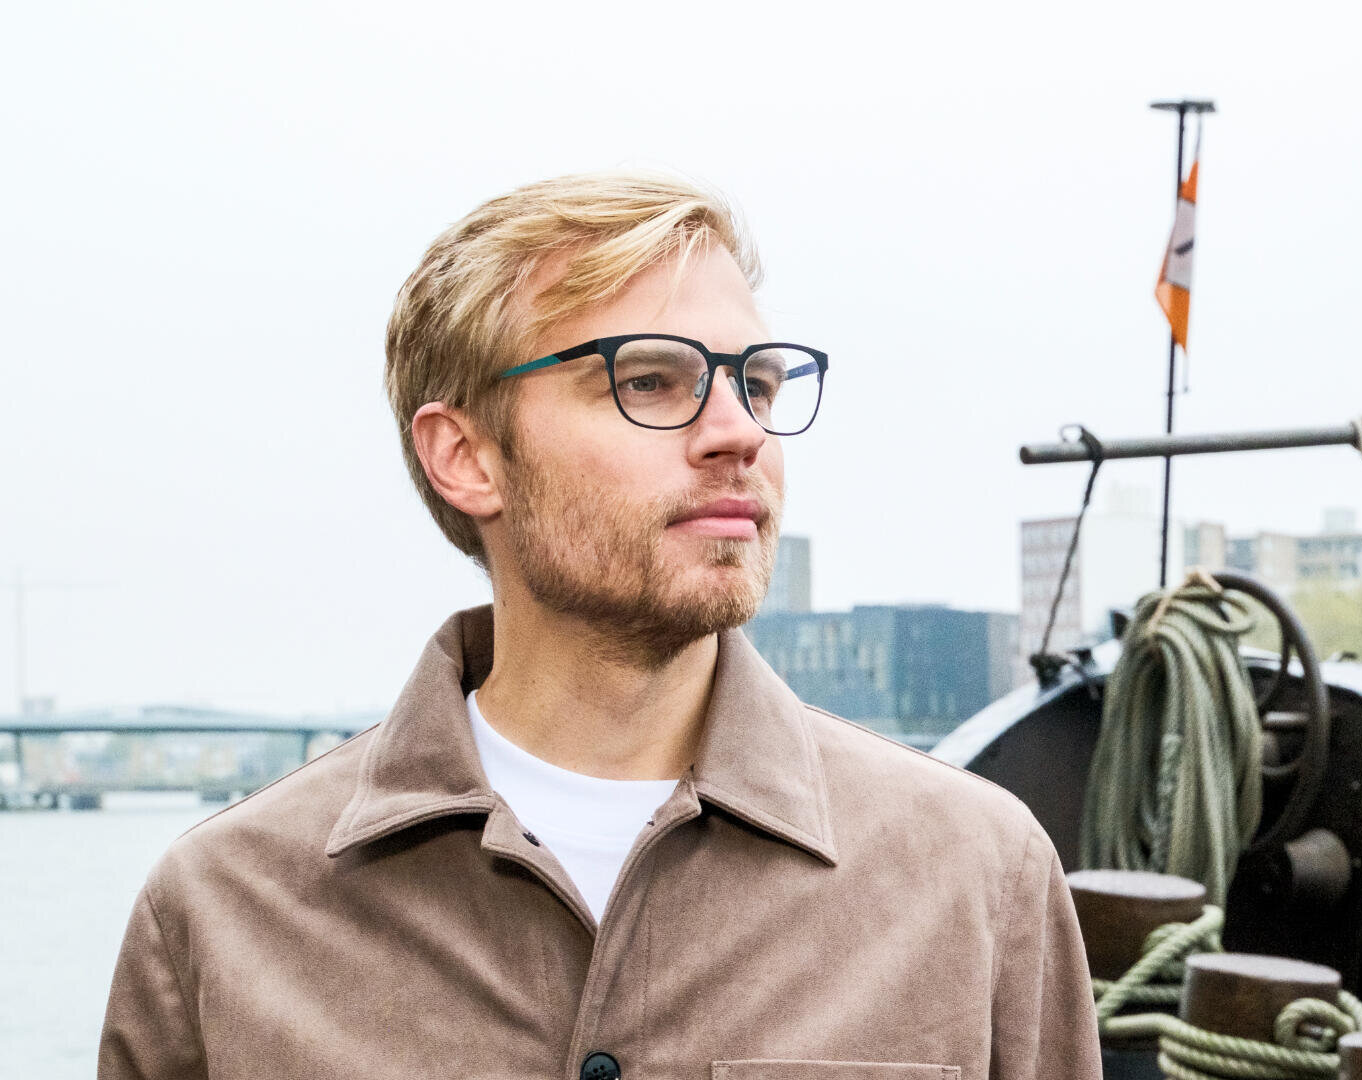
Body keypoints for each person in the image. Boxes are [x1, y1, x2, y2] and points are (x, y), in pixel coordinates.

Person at [99, 170, 1101, 1079]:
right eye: (651, 380)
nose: (741, 433)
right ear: (468, 459)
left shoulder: (976, 877)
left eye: (756, 383)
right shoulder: (223, 912)